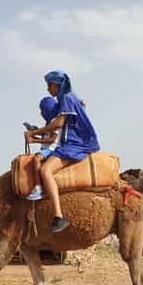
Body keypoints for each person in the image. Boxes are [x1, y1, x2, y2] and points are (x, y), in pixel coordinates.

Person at [23, 70, 100, 232]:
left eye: (49, 85)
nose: (48, 89)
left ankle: (58, 216)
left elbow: (58, 124)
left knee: (45, 170)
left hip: (75, 144)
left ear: (57, 85)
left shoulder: (66, 98)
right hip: (70, 142)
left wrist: (34, 134)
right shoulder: (65, 100)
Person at [24, 96, 61, 201]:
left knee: (36, 159)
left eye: (43, 110)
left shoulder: (55, 121)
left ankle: (39, 187)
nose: (41, 113)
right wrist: (34, 132)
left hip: (52, 149)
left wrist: (34, 141)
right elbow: (46, 136)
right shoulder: (49, 122)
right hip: (47, 148)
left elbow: (52, 139)